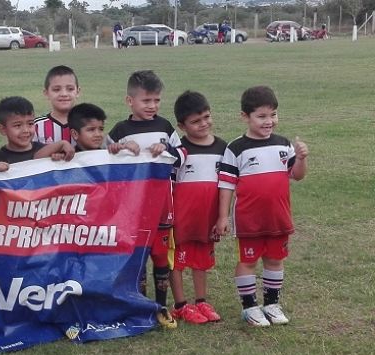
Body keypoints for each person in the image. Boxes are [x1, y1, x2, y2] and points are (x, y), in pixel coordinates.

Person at [216, 86, 309, 327]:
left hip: (278, 217)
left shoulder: (283, 144)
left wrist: (300, 159)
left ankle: (272, 304)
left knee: (275, 260)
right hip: (249, 219)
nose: (269, 121)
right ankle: (250, 308)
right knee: (247, 261)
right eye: (262, 116)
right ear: (245, 117)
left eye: (273, 115)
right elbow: (226, 185)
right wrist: (222, 217)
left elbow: (297, 176)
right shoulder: (236, 149)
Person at [107, 70, 185, 330]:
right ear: (130, 101)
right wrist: (116, 150)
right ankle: (138, 306)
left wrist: (169, 150)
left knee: (161, 255)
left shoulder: (164, 127)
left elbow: (184, 153)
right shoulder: (120, 130)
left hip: (163, 204)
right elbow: (104, 161)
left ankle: (161, 306)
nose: (152, 106)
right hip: (134, 207)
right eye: (146, 101)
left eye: (157, 101)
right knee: (137, 257)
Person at [168, 91, 226, 325]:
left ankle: (201, 300)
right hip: (181, 218)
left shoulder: (223, 148)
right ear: (182, 126)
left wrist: (223, 216)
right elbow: (169, 183)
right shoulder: (179, 151)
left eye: (206, 117)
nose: (203, 124)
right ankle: (181, 304)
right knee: (178, 260)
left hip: (207, 217)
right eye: (195, 121)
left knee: (202, 257)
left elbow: (227, 184)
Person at [0, 96, 76, 165]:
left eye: (30, 124)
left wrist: (58, 159)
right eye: (18, 125)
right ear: (2, 129)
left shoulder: (46, 151)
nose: (26, 130)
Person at [33, 65, 81, 145]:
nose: (64, 94)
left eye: (70, 89)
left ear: (78, 92)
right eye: (56, 90)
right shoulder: (37, 126)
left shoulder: (87, 123)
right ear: (46, 93)